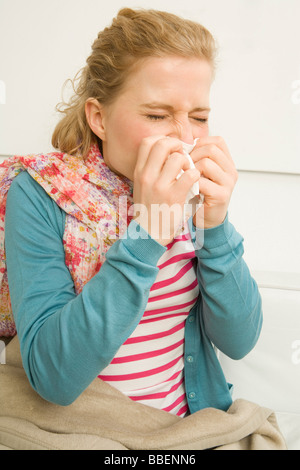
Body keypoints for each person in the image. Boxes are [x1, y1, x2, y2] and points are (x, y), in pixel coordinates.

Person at [0, 8, 262, 418]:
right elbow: (55, 378)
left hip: (183, 428)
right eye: (157, 115)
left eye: (200, 117)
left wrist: (217, 225)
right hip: (79, 431)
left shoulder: (193, 193)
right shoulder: (39, 194)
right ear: (99, 117)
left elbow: (240, 340)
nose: (185, 137)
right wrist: (148, 233)